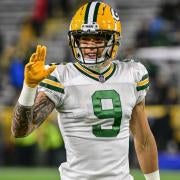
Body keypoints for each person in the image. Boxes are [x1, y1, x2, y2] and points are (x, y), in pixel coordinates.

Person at [11, 1, 160, 180]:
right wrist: (29, 87)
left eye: (97, 39)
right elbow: (20, 131)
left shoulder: (132, 74)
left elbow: (143, 140)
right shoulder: (61, 76)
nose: (89, 45)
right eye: (84, 38)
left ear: (113, 40)